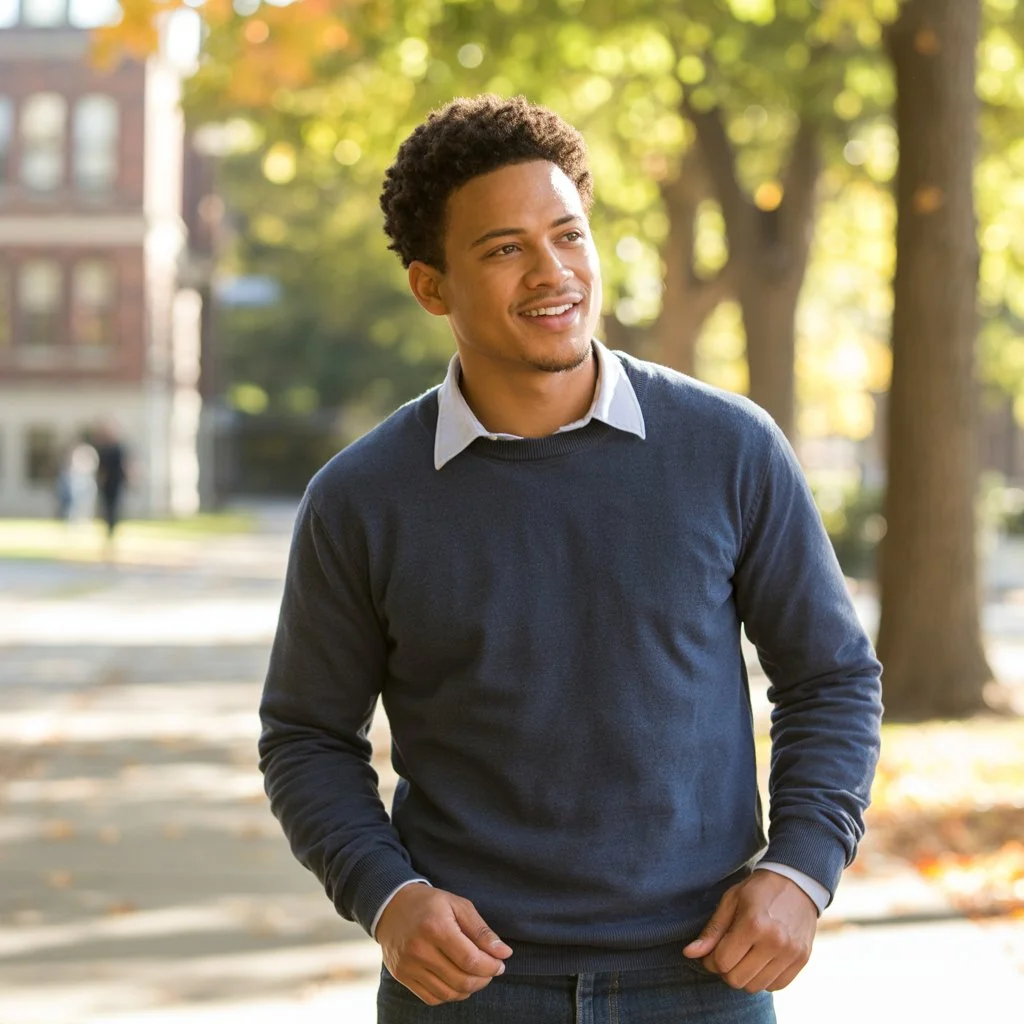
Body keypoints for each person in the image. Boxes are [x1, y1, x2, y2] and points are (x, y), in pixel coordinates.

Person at [259, 95, 883, 1024]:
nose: (553, 273)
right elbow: (306, 736)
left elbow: (831, 678)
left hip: (704, 981)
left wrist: (801, 871)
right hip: (466, 992)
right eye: (503, 249)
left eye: (569, 235)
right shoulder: (360, 499)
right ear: (433, 288)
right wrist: (386, 898)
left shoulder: (728, 449)